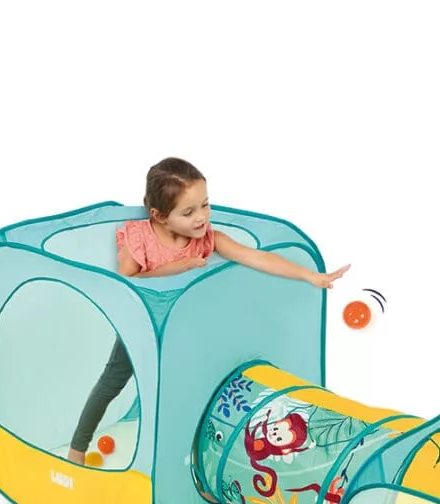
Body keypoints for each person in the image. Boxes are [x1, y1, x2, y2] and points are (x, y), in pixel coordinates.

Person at [67, 157, 350, 464]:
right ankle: (76, 451)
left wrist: (308, 275)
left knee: (190, 387)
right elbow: (126, 284)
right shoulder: (140, 239)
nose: (201, 217)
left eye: (205, 204)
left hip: (182, 330)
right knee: (111, 383)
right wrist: (176, 268)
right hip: (140, 327)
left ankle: (190, 452)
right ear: (159, 216)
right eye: (188, 212)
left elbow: (255, 257)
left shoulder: (208, 239)